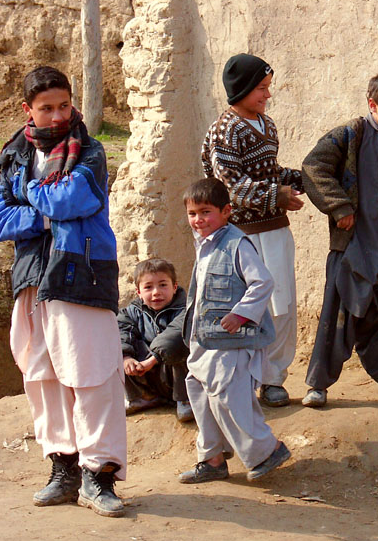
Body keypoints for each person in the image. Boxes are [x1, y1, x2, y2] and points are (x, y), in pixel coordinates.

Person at [0, 66, 127, 517]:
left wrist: (29, 194)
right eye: (46, 108)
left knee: (94, 376)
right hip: (34, 277)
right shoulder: (10, 158)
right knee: (42, 375)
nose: (56, 116)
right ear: (28, 110)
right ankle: (63, 468)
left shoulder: (90, 152)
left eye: (63, 106)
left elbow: (75, 200)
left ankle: (98, 475)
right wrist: (45, 213)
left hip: (82, 274)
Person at [300, 70, 378, 409]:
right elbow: (313, 168)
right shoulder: (348, 136)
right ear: (373, 104)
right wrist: (338, 207)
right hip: (351, 248)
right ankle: (318, 386)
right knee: (336, 317)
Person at [201, 53, 303, 408]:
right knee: (243, 306)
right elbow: (232, 189)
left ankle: (273, 378)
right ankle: (239, 380)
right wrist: (280, 195)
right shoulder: (224, 130)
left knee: (282, 305)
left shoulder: (267, 125)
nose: (267, 95)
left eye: (267, 87)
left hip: (275, 231)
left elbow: (269, 172)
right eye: (261, 88)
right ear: (242, 89)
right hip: (240, 236)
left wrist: (302, 180)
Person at [179, 177, 291, 484]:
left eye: (205, 212)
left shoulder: (237, 243)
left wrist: (241, 314)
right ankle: (212, 459)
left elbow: (262, 282)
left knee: (231, 396)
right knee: (200, 393)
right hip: (205, 340)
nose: (198, 220)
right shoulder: (203, 244)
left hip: (233, 342)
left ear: (226, 211)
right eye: (192, 214)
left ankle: (267, 451)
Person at [118, 258, 193, 422]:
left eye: (163, 285)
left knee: (180, 346)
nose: (156, 292)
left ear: (174, 287)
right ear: (138, 292)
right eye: (148, 287)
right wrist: (126, 358)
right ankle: (142, 396)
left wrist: (152, 359)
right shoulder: (132, 312)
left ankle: (185, 399)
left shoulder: (186, 310)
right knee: (117, 345)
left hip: (176, 377)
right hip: (149, 375)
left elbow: (174, 335)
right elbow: (121, 330)